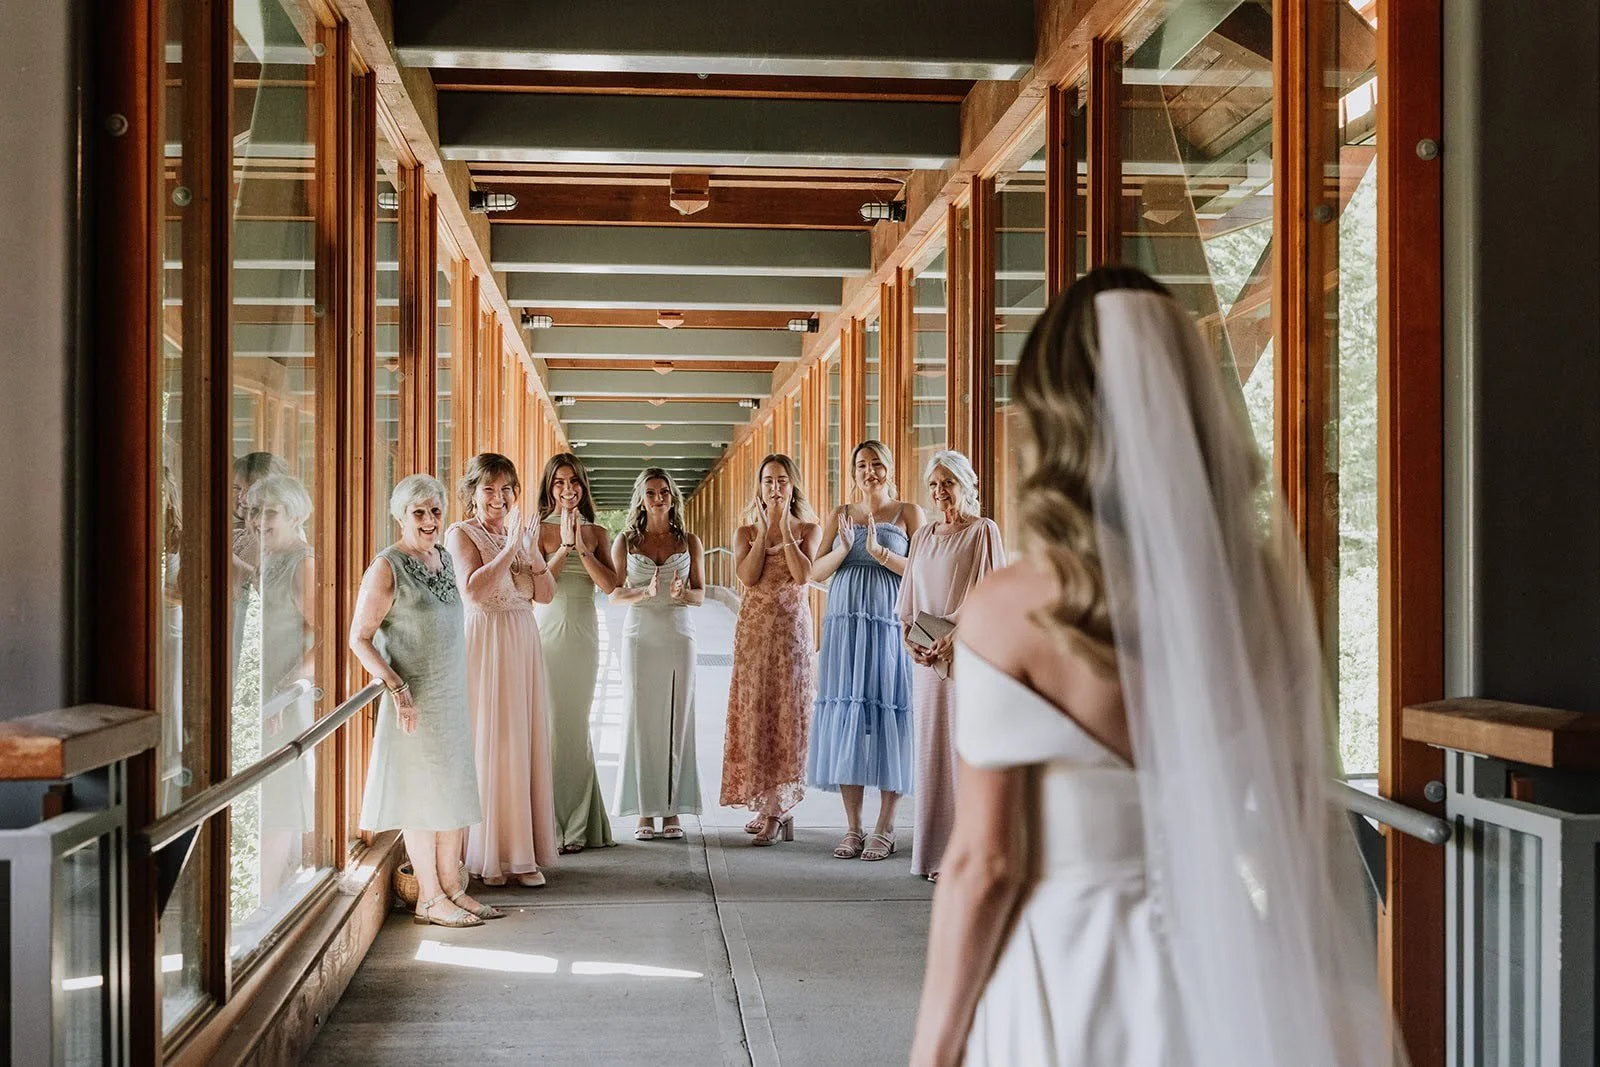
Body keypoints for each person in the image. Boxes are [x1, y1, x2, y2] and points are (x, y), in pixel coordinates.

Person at [910, 267, 1400, 1066]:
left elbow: (985, 863)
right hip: (1233, 968)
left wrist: (933, 1048)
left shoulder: (1011, 609)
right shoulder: (1264, 599)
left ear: (1051, 424)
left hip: (1068, 984)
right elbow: (1296, 819)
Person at [352, 474, 491, 929]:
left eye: (435, 511)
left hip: (450, 697)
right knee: (422, 798)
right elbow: (360, 639)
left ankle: (452, 887)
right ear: (399, 517)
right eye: (419, 513)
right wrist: (395, 686)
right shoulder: (386, 567)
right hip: (413, 702)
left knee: (452, 791)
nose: (430, 521)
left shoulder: (447, 560)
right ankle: (428, 897)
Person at [806, 441, 924, 862]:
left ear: (890, 469)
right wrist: (842, 549)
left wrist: (881, 553)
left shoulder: (908, 512)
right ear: (852, 471)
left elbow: (923, 569)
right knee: (848, 716)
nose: (869, 471)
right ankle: (853, 826)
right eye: (861, 465)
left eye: (877, 464)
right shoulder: (842, 514)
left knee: (891, 709)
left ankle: (885, 825)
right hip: (844, 620)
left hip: (889, 619)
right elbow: (812, 573)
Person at [447, 453, 559, 888]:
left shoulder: (522, 534)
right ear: (472, 494)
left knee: (522, 741)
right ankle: (489, 853)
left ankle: (521, 853)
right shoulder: (462, 534)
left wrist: (532, 556)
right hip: (486, 643)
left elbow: (545, 594)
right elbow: (473, 593)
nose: (499, 497)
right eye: (489, 489)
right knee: (491, 743)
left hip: (522, 639)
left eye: (507, 488)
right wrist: (511, 548)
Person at [897, 451, 1005, 881]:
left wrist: (954, 638)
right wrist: (912, 644)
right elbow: (907, 603)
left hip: (967, 657)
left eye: (948, 483)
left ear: (966, 485)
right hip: (927, 662)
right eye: (934, 485)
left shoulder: (983, 532)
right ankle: (934, 853)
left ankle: (968, 858)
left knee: (966, 755)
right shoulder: (922, 536)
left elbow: (990, 593)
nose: (940, 492)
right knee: (933, 755)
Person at [720, 455, 822, 845]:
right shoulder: (745, 532)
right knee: (756, 714)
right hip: (754, 634)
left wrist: (784, 528)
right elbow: (747, 577)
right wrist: (765, 531)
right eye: (767, 481)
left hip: (791, 635)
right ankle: (770, 806)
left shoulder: (810, 530)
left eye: (781, 480)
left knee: (786, 716)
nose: (774, 487)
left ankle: (778, 810)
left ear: (792, 485)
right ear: (759, 488)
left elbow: (802, 575)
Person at [610, 468, 705, 841]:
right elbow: (614, 593)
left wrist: (682, 595)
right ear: (641, 498)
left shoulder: (690, 541)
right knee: (641, 718)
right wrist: (643, 593)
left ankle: (673, 811)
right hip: (639, 635)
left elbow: (700, 594)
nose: (658, 497)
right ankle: (645, 812)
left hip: (679, 633)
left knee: (677, 719)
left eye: (664, 491)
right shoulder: (626, 540)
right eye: (651, 492)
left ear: (673, 497)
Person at [534, 453, 619, 853]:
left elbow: (610, 586)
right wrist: (563, 547)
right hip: (547, 634)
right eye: (559, 483)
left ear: (583, 486)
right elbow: (538, 586)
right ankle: (549, 823)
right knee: (551, 725)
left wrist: (582, 547)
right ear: (549, 487)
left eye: (574, 482)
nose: (568, 490)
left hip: (584, 636)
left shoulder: (599, 532)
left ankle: (581, 823)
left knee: (576, 723)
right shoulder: (536, 530)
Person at [247, 472, 318, 906]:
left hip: (280, 700)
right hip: (256, 696)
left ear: (294, 515)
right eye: (253, 511)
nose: (257, 520)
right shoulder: (267, 558)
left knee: (277, 801)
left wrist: (289, 684)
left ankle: (267, 903)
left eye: (268, 512)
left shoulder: (301, 563)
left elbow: (326, 633)